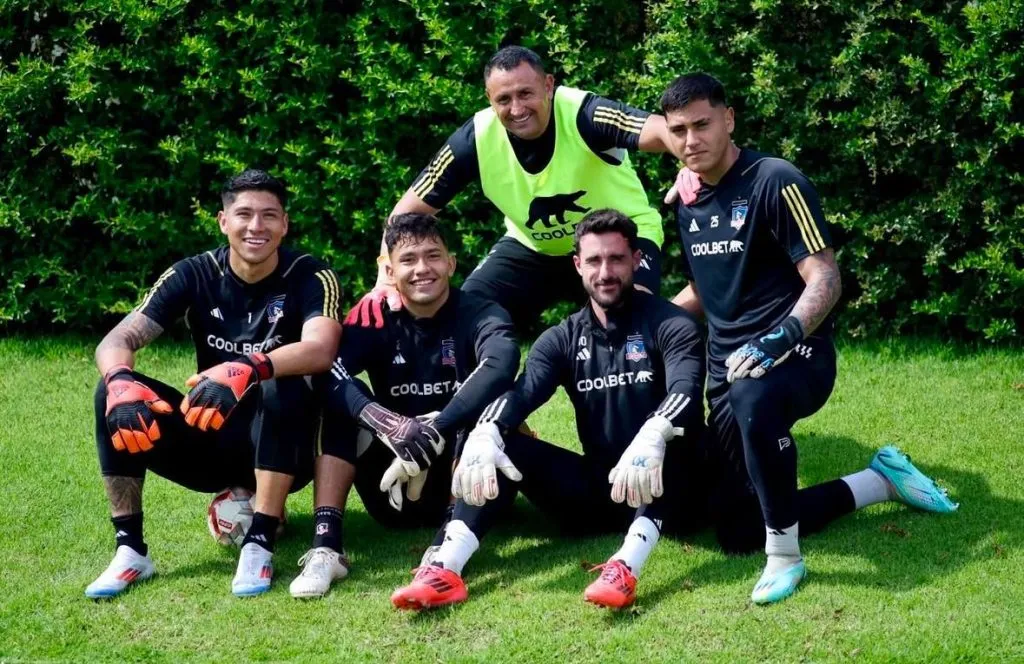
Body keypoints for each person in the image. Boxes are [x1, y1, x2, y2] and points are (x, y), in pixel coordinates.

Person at [658, 73, 958, 604]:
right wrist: (648, 321)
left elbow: (826, 277)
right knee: (733, 530)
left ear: (729, 119)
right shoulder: (687, 199)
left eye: (702, 124)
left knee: (756, 395)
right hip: (727, 368)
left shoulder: (777, 180)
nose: (691, 141)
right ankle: (878, 481)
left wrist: (779, 337)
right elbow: (703, 288)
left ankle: (786, 558)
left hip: (798, 354)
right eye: (679, 130)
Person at [390, 210, 706, 610]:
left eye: (616, 259)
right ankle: (445, 569)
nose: (605, 271)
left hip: (677, 491)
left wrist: (654, 431)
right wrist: (486, 432)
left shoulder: (671, 324)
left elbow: (686, 390)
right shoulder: (561, 338)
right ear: (577, 265)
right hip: (604, 490)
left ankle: (626, 567)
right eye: (593, 261)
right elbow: (522, 394)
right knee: (497, 439)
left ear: (637, 261)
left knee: (669, 438)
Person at [86, 169, 343, 599]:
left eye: (268, 216)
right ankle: (130, 550)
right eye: (243, 214)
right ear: (223, 221)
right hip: (209, 432)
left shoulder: (311, 276)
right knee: (111, 395)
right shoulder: (194, 272)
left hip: (285, 446)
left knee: (284, 383)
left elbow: (322, 349)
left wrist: (248, 367)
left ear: (285, 224)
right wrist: (118, 378)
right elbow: (119, 338)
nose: (255, 226)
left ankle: (260, 542)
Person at [347, 45, 680, 330]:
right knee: (462, 318)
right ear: (489, 100)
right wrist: (386, 279)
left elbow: (661, 128)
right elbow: (405, 214)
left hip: (618, 240)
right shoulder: (474, 139)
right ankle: (465, 404)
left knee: (633, 321)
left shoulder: (584, 112)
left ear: (548, 85)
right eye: (504, 99)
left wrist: (690, 166)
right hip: (531, 246)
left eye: (526, 93)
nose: (517, 109)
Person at [288, 213, 519, 599]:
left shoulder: (480, 310)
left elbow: (502, 363)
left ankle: (447, 540)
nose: (422, 269)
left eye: (433, 256)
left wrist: (434, 429)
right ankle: (326, 545)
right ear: (390, 270)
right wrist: (389, 425)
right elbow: (326, 373)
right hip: (393, 485)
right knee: (343, 404)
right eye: (409, 260)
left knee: (484, 404)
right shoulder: (373, 316)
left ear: (451, 263)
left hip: (469, 482)